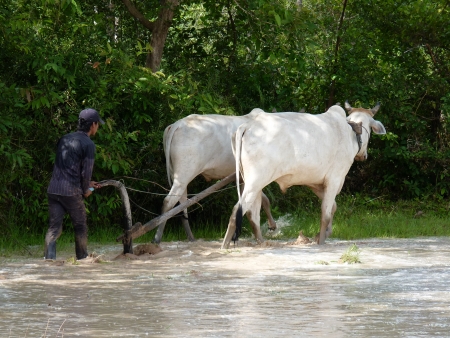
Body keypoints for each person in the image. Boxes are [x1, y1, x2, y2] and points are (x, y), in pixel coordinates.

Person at [44, 108, 104, 260]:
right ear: (93, 125)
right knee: (80, 225)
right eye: (98, 124)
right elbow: (86, 173)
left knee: (54, 228)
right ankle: (82, 259)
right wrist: (88, 188)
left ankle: (49, 260)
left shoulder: (65, 138)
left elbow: (68, 167)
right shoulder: (88, 144)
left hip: (54, 190)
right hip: (71, 192)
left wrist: (86, 183)